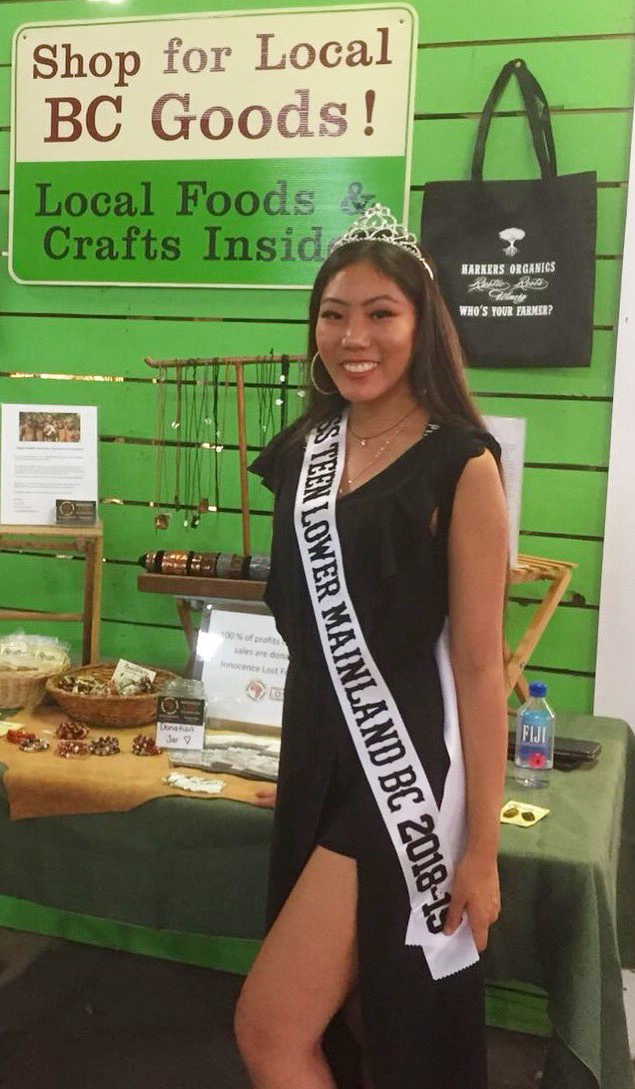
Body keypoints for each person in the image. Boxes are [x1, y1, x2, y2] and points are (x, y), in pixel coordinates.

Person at [235, 206, 508, 1089]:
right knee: (356, 1024)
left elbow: (477, 669)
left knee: (272, 1029)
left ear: (421, 324)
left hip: (400, 776)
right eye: (333, 312)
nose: (354, 336)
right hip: (315, 752)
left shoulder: (461, 464)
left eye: (380, 312)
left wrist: (479, 850)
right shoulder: (299, 455)